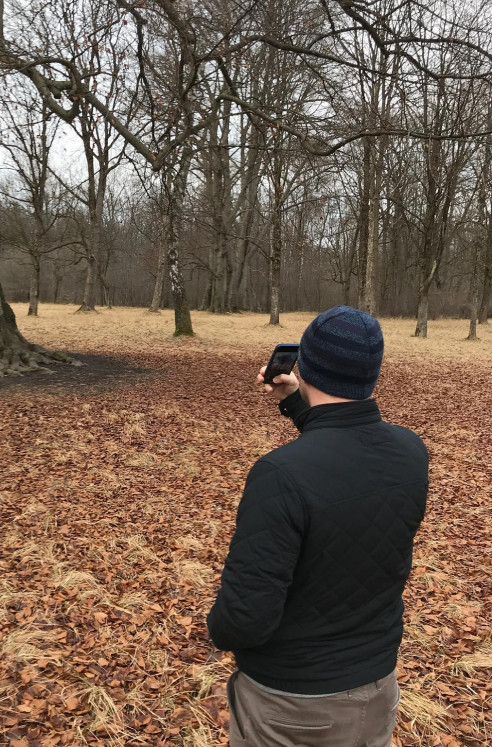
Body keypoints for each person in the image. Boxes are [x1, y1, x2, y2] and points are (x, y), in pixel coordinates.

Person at [207, 305, 429, 747]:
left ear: (303, 365)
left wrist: (218, 627)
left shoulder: (280, 474)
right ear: (372, 372)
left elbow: (243, 622)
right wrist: (294, 401)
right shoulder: (410, 451)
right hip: (378, 688)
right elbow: (343, 446)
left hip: (292, 705)